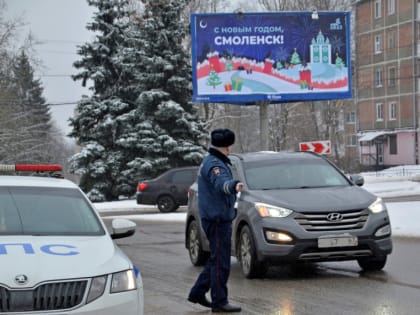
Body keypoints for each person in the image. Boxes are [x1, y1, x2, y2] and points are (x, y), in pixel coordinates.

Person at [188, 128, 243, 313]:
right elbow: (221, 184)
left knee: (216, 259)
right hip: (217, 220)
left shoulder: (212, 160)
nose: (230, 149)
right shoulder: (215, 165)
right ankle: (219, 301)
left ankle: (198, 291)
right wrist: (234, 186)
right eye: (229, 146)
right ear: (226, 146)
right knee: (221, 263)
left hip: (215, 217)